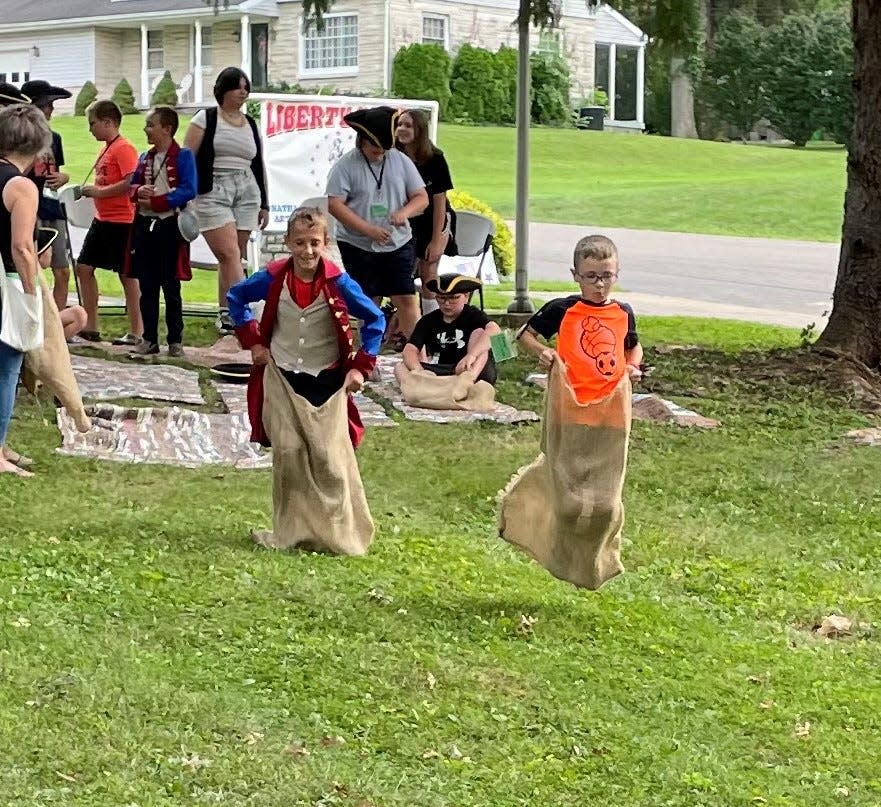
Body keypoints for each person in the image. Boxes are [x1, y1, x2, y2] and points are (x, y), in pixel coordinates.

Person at [227, 206, 385, 553]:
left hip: (326, 379)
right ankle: (291, 532)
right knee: (288, 451)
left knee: (330, 460)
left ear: (326, 243)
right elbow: (236, 297)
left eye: (314, 243)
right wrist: (252, 340)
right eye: (299, 243)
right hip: (282, 376)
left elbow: (375, 320)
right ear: (287, 243)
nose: (307, 251)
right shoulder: (272, 277)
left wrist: (360, 367)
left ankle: (342, 534)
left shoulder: (339, 283)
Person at [327, 106, 428, 344]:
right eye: (374, 148)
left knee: (405, 298)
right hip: (357, 244)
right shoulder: (346, 166)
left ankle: (418, 353)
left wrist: (405, 212)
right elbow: (335, 204)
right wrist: (367, 229)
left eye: (384, 148)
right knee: (368, 300)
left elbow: (421, 197)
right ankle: (367, 353)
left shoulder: (400, 161)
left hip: (398, 242)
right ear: (362, 140)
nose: (379, 152)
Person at [183, 67, 268, 335]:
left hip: (246, 189)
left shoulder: (250, 123)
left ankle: (226, 313)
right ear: (224, 89)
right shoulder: (206, 118)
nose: (243, 92)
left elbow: (258, 164)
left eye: (246, 87)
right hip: (213, 189)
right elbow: (187, 156)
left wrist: (264, 202)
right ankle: (247, 313)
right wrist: (185, 193)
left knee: (233, 257)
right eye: (237, 86)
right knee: (230, 254)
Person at [517, 234, 643, 400]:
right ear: (575, 275)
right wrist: (543, 352)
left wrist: (633, 366)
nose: (599, 284)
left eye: (606, 276)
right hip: (568, 396)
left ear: (617, 274)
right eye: (591, 276)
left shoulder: (623, 312)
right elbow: (524, 335)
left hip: (612, 399)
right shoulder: (562, 309)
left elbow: (633, 346)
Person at [0, 102, 51, 477]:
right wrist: (32, 293)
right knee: (6, 369)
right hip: (6, 283)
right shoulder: (21, 187)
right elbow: (22, 247)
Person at [125, 106, 197, 358]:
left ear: (166, 129)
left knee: (171, 285)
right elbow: (133, 184)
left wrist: (158, 202)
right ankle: (149, 339)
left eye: (150, 124)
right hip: (146, 227)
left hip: (169, 226)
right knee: (148, 285)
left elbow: (189, 189)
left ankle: (175, 339)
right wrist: (138, 193)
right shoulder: (145, 157)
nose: (146, 129)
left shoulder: (183, 156)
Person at [75, 100, 142, 345]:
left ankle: (137, 330)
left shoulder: (124, 148)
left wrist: (99, 192)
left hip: (123, 220)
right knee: (84, 267)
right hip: (102, 219)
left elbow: (130, 182)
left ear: (108, 122)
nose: (90, 129)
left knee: (128, 274)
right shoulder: (105, 148)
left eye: (93, 124)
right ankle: (90, 325)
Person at [394, 108, 457, 315]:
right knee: (401, 271)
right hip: (406, 220)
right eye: (399, 124)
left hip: (433, 220)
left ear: (419, 130)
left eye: (408, 125)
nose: (401, 129)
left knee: (429, 267)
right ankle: (404, 319)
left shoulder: (435, 159)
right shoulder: (393, 156)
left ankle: (431, 318)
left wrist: (437, 238)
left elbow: (440, 201)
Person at [395, 273, 499, 388]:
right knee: (400, 368)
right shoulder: (428, 320)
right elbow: (410, 349)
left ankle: (466, 383)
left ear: (466, 296)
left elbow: (495, 329)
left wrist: (472, 355)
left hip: (467, 368)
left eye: (454, 298)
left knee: (479, 334)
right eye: (442, 298)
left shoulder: (473, 316)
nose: (447, 303)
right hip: (440, 369)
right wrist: (418, 370)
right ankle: (425, 385)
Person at [21, 79, 73, 312]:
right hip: (29, 207)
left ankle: (59, 325)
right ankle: (34, 318)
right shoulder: (18, 139)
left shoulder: (56, 138)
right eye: (46, 105)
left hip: (52, 205)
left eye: (52, 105)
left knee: (62, 269)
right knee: (34, 266)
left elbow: (55, 174)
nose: (50, 110)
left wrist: (64, 178)